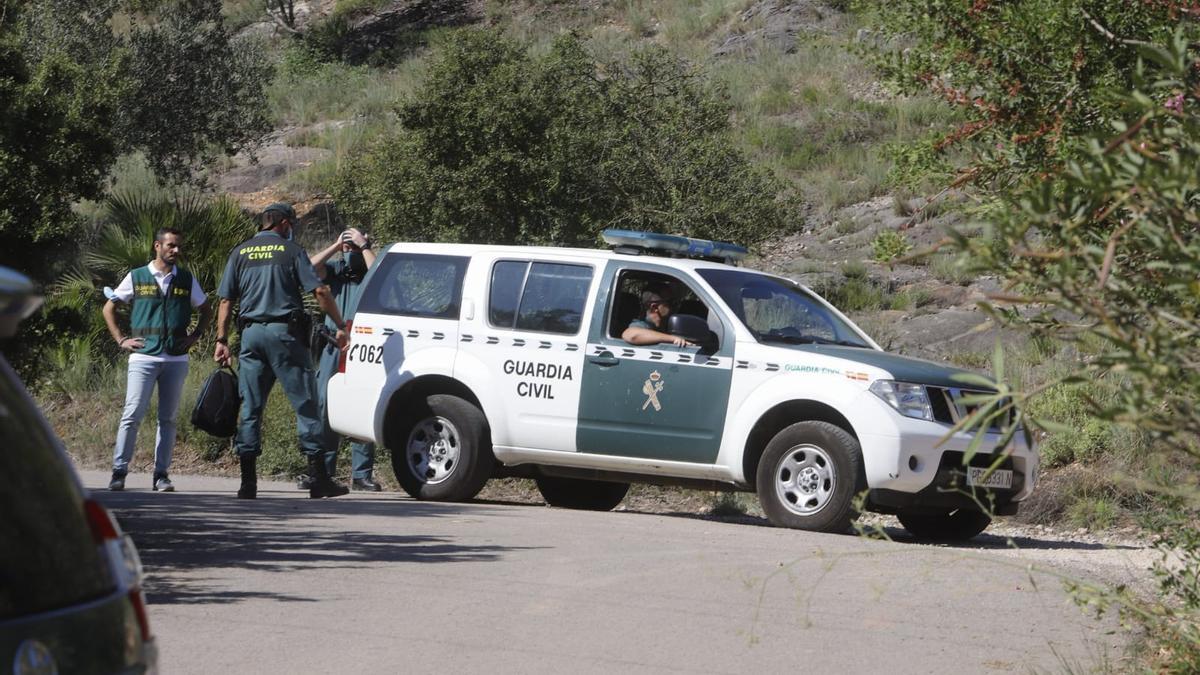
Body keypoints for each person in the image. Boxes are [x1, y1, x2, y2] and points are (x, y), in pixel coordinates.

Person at [212, 202, 350, 499]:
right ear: (284, 223)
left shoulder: (240, 252)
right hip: (284, 335)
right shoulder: (291, 251)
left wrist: (221, 340)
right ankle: (319, 479)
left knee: (250, 407)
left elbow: (226, 302)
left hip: (250, 336)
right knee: (305, 404)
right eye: (292, 224)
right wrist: (340, 326)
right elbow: (321, 291)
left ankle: (248, 482)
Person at [103, 227, 212, 492]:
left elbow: (206, 308)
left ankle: (161, 475)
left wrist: (195, 335)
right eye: (171, 246)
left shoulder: (185, 278)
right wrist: (121, 340)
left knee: (168, 418)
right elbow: (109, 307)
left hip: (175, 358)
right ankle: (119, 471)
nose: (176, 251)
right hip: (143, 356)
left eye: (178, 246)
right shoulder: (137, 276)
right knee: (132, 414)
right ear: (157, 246)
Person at [300, 226, 380, 491]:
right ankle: (322, 471)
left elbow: (380, 272)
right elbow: (308, 268)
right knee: (324, 406)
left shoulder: (372, 271)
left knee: (362, 406)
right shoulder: (335, 271)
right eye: (349, 247)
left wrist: (364, 245)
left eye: (353, 246)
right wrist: (337, 246)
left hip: (364, 348)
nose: (350, 251)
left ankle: (362, 474)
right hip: (333, 346)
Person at [621, 283, 693, 347]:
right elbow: (630, 335)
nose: (675, 305)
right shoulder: (642, 324)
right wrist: (672, 338)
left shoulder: (666, 324)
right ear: (654, 307)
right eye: (671, 302)